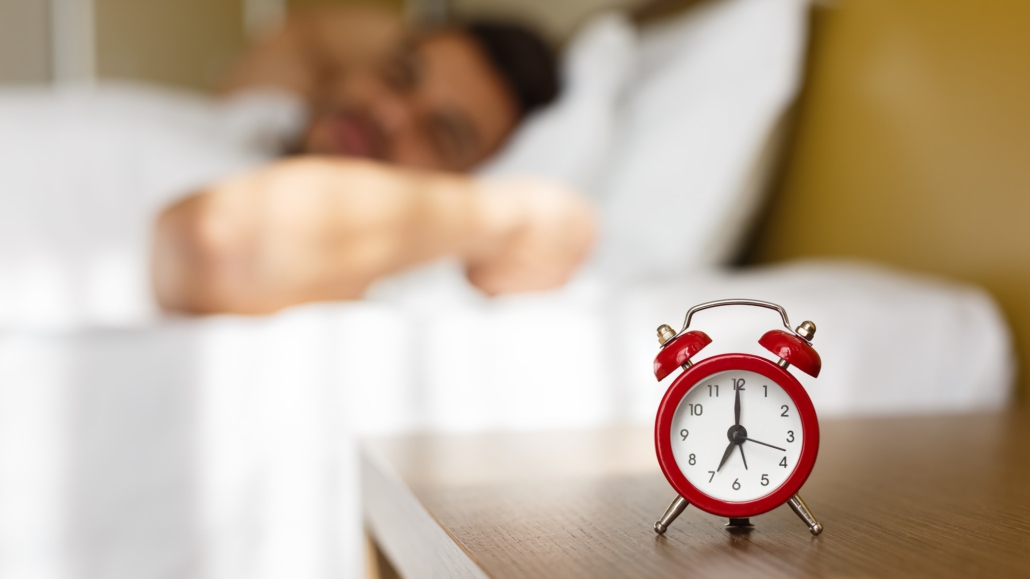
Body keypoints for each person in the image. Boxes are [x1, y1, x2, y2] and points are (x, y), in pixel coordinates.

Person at [153, 6, 597, 315]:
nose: (387, 114)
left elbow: (214, 242)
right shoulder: (260, 116)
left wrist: (504, 216)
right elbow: (306, 34)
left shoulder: (355, 257)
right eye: (398, 75)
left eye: (441, 134)